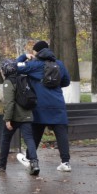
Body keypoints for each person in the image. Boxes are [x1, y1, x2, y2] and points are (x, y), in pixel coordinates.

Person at [15, 40, 72, 172]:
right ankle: (66, 162)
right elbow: (66, 81)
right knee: (61, 133)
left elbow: (15, 67)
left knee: (36, 132)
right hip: (58, 104)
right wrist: (54, 85)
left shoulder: (34, 64)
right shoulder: (59, 64)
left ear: (37, 52)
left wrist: (24, 56)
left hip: (40, 104)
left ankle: (30, 159)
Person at [0, 59, 40, 175]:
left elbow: (9, 103)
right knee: (29, 139)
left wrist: (7, 119)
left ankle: (1, 164)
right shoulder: (23, 78)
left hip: (15, 117)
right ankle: (34, 163)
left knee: (6, 139)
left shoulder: (8, 82)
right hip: (27, 115)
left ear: (5, 71)